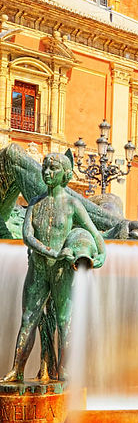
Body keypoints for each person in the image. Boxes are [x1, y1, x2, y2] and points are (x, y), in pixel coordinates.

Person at [1, 152, 105, 383]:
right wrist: (52, 252)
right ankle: (17, 368)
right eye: (45, 168)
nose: (47, 172)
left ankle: (64, 369)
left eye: (53, 169)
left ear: (65, 175)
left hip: (61, 272)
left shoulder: (72, 204)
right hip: (38, 270)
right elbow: (27, 236)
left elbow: (95, 234)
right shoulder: (36, 203)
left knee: (64, 321)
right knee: (28, 318)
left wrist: (101, 256)